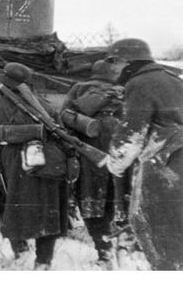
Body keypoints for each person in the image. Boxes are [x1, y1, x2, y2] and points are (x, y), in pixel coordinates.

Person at [0, 62, 68, 269]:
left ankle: (21, 253)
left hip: (16, 167)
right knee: (48, 210)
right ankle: (43, 261)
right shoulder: (47, 106)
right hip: (48, 164)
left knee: (15, 210)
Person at [106, 38, 183, 270]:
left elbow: (132, 133)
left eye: (113, 62)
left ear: (126, 61)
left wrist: (114, 162)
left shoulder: (139, 83)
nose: (111, 68)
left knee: (157, 227)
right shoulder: (174, 80)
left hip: (164, 164)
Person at [61, 59, 125, 266]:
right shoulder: (122, 91)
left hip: (89, 146)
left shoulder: (80, 88)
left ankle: (103, 251)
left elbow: (65, 116)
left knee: (89, 197)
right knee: (116, 196)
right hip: (119, 144)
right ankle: (120, 249)